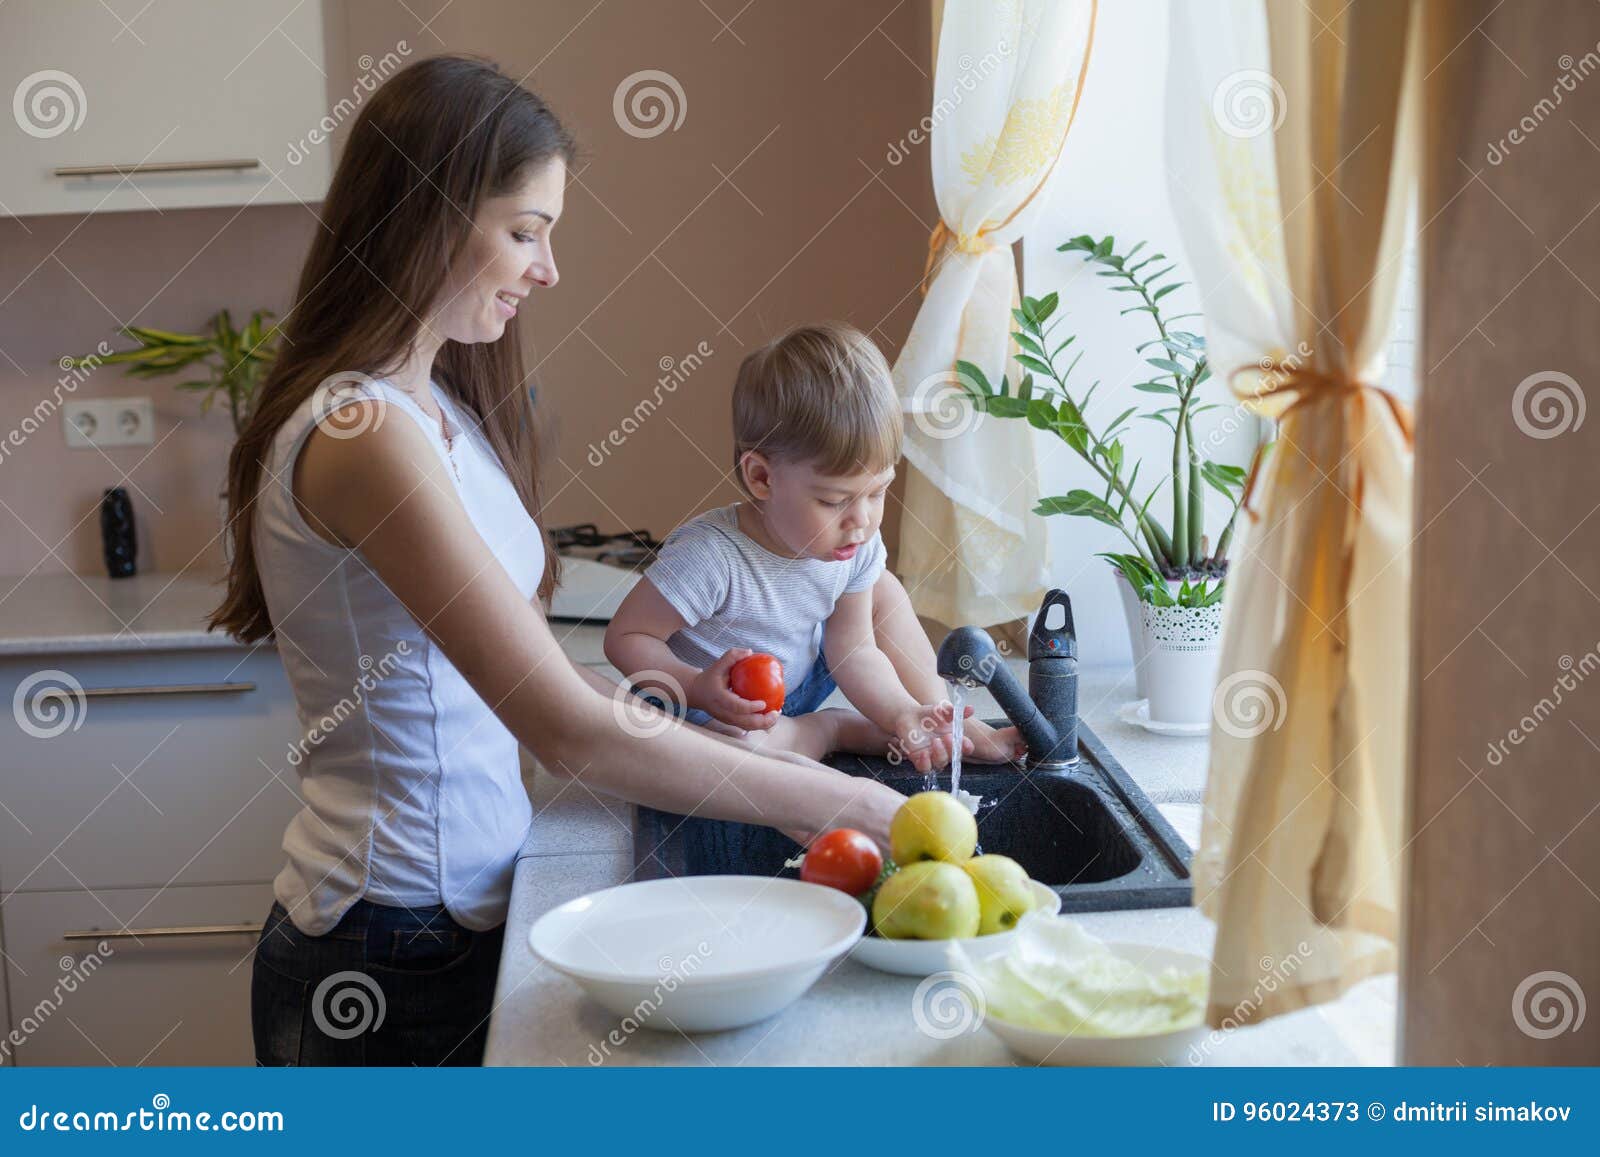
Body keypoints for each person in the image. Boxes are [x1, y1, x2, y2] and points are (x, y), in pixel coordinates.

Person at [209, 55, 905, 1067]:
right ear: (431, 216)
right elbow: (562, 728)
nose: (547, 269)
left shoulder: (434, 407)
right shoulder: (363, 433)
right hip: (381, 942)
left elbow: (528, 672)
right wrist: (845, 799)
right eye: (525, 231)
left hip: (451, 921)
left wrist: (700, 715)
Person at [604, 322, 1022, 769]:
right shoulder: (711, 556)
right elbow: (626, 638)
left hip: (797, 682)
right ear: (761, 478)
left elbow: (855, 651)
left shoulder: (854, 542)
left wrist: (903, 708)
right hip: (711, 709)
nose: (861, 521)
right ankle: (831, 730)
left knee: (882, 588)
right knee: (735, 755)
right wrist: (696, 684)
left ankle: (939, 720)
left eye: (878, 492)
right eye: (833, 500)